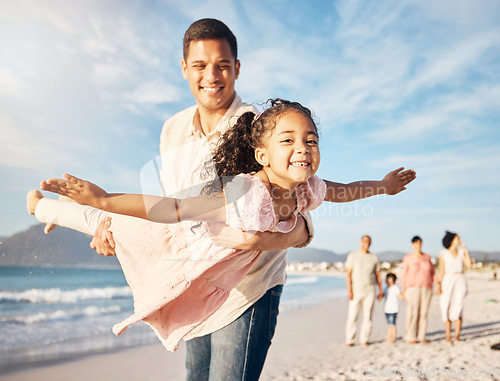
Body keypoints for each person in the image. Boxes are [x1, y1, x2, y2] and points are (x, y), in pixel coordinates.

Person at [33, 20, 416, 381]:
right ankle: (53, 209)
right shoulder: (175, 130)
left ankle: (66, 210)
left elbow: (323, 202)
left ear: (236, 67)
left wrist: (381, 186)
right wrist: (103, 203)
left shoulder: (260, 126)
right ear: (185, 68)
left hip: (247, 291)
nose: (212, 76)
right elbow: (171, 206)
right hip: (193, 272)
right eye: (200, 65)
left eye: (222, 65)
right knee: (107, 224)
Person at [345, 235, 384, 346]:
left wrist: (380, 290)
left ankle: (365, 339)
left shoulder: (374, 257)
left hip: (370, 290)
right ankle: (350, 340)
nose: (366, 243)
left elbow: (378, 275)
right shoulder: (353, 256)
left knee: (368, 317)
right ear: (360, 242)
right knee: (352, 317)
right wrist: (350, 290)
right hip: (356, 290)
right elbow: (348, 274)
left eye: (369, 241)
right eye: (365, 241)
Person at [400, 235, 438, 344]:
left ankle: (422, 336)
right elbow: (404, 275)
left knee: (424, 313)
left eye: (420, 243)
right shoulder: (408, 258)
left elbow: (433, 272)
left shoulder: (427, 257)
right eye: (416, 243)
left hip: (426, 287)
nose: (418, 245)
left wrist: (438, 284)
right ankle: (411, 336)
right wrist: (403, 290)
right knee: (413, 312)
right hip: (412, 288)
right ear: (413, 245)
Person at [438, 231, 472, 343]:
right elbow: (441, 271)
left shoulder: (462, 252)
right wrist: (438, 284)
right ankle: (448, 335)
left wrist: (465, 251)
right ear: (451, 240)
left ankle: (456, 336)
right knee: (445, 305)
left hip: (460, 278)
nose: (460, 240)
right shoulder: (443, 253)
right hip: (448, 279)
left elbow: (469, 265)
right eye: (458, 238)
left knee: (458, 306)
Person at [383, 273, 401, 343]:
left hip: (393, 309)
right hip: (386, 309)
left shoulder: (395, 288)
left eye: (390, 279)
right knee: (389, 324)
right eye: (387, 279)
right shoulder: (386, 288)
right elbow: (382, 296)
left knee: (392, 324)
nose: (389, 281)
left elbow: (400, 296)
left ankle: (393, 338)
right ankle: (390, 337)